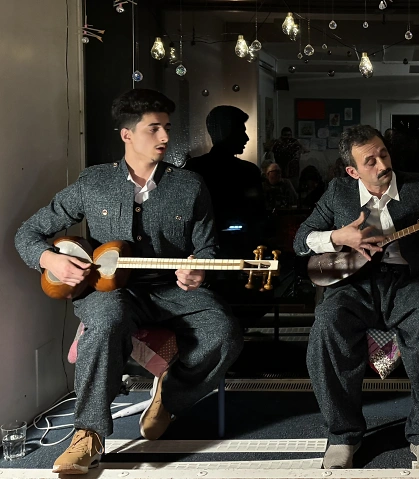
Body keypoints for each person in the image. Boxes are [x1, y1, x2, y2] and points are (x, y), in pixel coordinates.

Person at [14, 89, 243, 474]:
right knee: (106, 320)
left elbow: (207, 247)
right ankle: (87, 434)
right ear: (127, 135)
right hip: (111, 290)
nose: (165, 136)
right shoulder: (93, 182)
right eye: (154, 128)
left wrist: (199, 268)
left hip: (172, 291)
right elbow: (28, 233)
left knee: (225, 331)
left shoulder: (190, 186)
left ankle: (169, 398)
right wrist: (50, 258)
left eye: (167, 127)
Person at [294, 125, 419, 469]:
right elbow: (302, 240)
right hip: (353, 285)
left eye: (383, 154)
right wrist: (338, 236)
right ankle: (343, 435)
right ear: (352, 171)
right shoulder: (338, 192)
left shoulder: (418, 186)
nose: (382, 165)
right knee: (327, 324)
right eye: (369, 161)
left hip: (408, 281)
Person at [184, 105, 265, 259]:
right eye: (241, 131)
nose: (246, 138)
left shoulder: (194, 167)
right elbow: (257, 217)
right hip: (239, 251)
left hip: (202, 250)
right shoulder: (248, 171)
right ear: (227, 132)